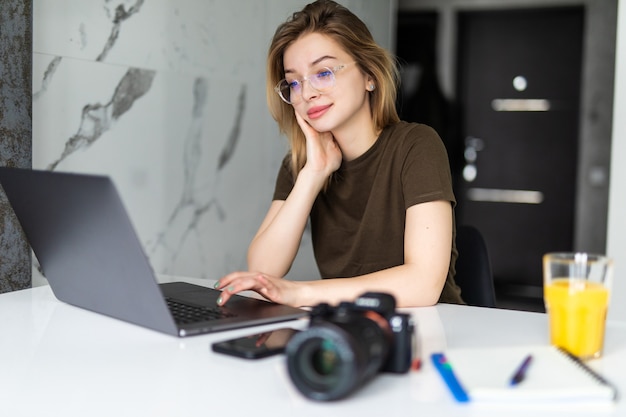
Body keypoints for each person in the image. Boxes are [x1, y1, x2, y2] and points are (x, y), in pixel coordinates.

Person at [215, 0, 464, 308]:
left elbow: (423, 285)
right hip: (351, 330)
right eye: (294, 82)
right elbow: (263, 273)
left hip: (430, 329)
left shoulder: (416, 146)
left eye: (323, 72)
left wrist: (302, 293)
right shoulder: (301, 165)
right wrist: (313, 174)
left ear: (369, 76)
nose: (306, 93)